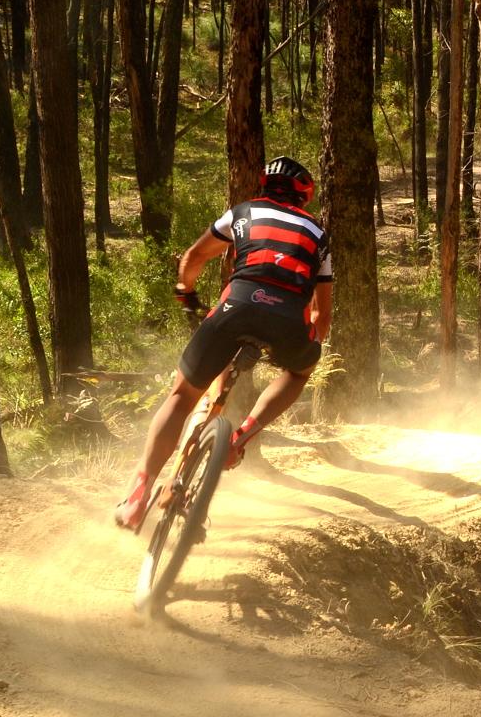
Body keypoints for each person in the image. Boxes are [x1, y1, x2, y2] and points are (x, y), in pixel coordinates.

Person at [114, 156, 333, 529]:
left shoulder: (242, 213)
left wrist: (186, 293)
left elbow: (194, 257)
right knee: (298, 373)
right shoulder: (318, 234)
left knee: (182, 396)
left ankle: (139, 492)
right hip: (287, 321)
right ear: (304, 197)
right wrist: (306, 346)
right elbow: (322, 314)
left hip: (236, 306)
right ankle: (241, 436)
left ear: (265, 186)